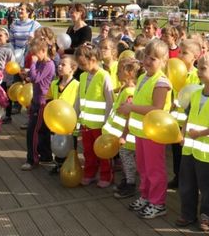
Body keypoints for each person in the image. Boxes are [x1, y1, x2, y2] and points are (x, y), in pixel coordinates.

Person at [175, 52, 209, 232]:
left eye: (203, 68)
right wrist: (183, 134)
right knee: (187, 183)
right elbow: (189, 116)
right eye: (198, 66)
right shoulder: (196, 93)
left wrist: (201, 133)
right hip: (190, 148)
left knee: (206, 187)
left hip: (208, 153)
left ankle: (208, 216)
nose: (198, 70)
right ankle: (188, 213)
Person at [119, 39, 172, 219]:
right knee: (143, 167)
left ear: (164, 61)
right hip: (141, 132)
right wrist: (131, 104)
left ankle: (158, 202)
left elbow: (157, 108)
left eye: (154, 59)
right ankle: (146, 195)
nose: (148, 61)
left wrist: (131, 108)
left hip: (154, 133)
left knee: (154, 168)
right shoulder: (143, 77)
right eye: (147, 57)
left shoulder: (161, 82)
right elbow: (142, 102)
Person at [74, 43, 114, 187]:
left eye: (83, 64)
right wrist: (75, 116)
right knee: (88, 151)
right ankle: (89, 173)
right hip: (86, 124)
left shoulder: (104, 76)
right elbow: (79, 98)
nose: (81, 67)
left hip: (100, 125)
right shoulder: (83, 76)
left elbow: (110, 100)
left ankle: (106, 175)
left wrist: (107, 123)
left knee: (103, 152)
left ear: (93, 59)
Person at [168, 39, 201, 189]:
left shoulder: (197, 76)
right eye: (180, 52)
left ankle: (188, 180)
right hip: (175, 122)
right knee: (176, 154)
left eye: (185, 53)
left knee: (186, 154)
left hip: (188, 123)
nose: (180, 55)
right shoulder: (174, 71)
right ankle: (177, 176)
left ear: (195, 56)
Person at [20, 36, 56, 171]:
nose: (33, 57)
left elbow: (36, 78)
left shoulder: (48, 64)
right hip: (36, 100)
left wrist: (32, 64)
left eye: (35, 54)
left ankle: (32, 159)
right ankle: (46, 156)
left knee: (33, 132)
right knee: (42, 131)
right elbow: (35, 77)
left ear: (43, 50)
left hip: (42, 102)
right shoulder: (42, 63)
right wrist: (27, 75)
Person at [108, 59, 141, 198]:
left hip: (128, 135)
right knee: (125, 157)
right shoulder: (124, 88)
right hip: (123, 134)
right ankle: (128, 180)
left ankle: (131, 183)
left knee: (127, 159)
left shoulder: (129, 92)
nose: (116, 73)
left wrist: (124, 134)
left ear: (128, 73)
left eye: (120, 71)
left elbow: (129, 113)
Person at [46, 56, 79, 175]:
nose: (59, 66)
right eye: (59, 64)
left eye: (63, 65)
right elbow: (49, 99)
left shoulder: (77, 85)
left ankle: (70, 165)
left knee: (70, 144)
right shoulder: (54, 83)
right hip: (56, 121)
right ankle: (58, 163)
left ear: (72, 68)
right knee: (56, 142)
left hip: (69, 121)